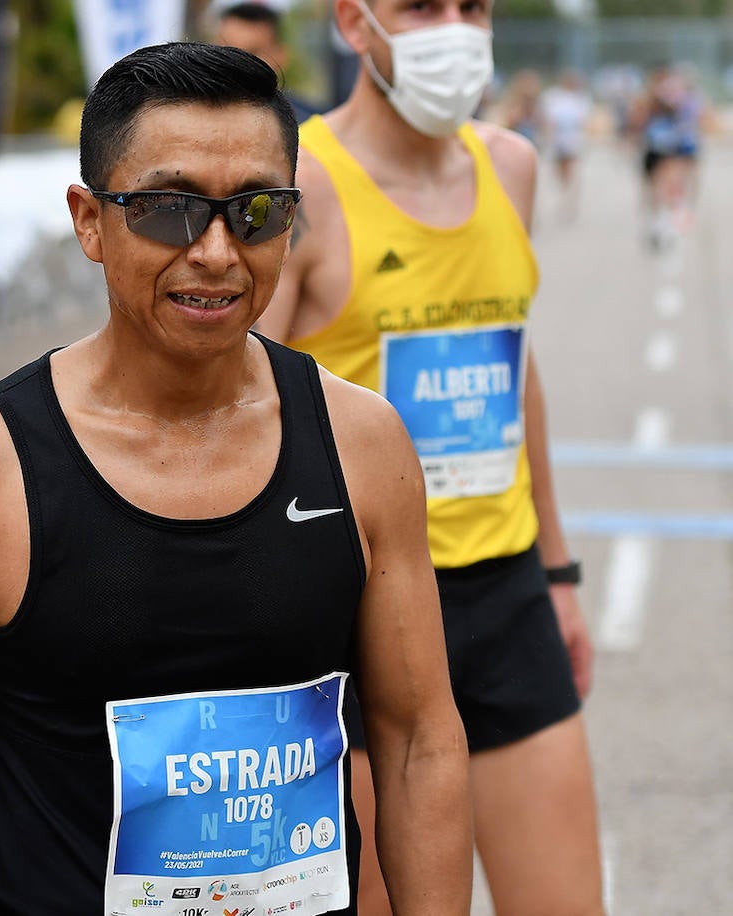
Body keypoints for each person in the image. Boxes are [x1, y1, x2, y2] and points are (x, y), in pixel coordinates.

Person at [0, 41, 471, 915]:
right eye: (169, 208)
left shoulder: (363, 443)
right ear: (88, 220)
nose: (219, 251)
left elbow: (420, 742)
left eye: (257, 210)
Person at [258, 2, 604, 914]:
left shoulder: (512, 165)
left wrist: (558, 570)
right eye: (420, 6)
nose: (453, 29)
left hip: (506, 593)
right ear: (353, 22)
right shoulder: (302, 185)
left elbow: (517, 372)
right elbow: (240, 414)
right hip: (361, 609)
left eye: (472, 7)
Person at [628, 63, 705, 250]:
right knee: (654, 188)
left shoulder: (683, 98)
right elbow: (638, 122)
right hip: (655, 146)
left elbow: (695, 119)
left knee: (672, 184)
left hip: (674, 147)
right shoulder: (647, 99)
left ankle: (669, 223)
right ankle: (658, 221)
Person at [210, 0, 322, 122]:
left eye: (251, 55)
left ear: (280, 57)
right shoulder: (193, 116)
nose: (236, 64)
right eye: (226, 52)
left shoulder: (313, 127)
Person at [540, 69, 593, 223]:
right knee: (560, 170)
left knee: (572, 170)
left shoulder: (581, 98)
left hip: (573, 139)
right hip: (558, 139)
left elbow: (585, 121)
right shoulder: (553, 97)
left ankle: (569, 199)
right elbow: (548, 120)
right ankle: (564, 193)